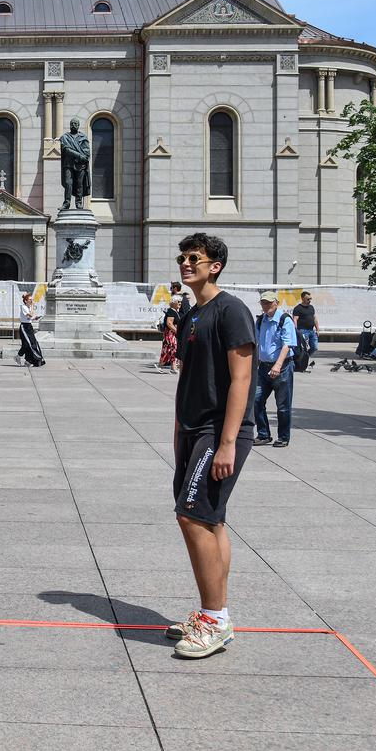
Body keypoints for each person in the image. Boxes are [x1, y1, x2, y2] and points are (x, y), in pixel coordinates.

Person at [167, 232, 255, 660]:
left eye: (194, 258)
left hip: (221, 430)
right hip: (193, 429)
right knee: (211, 519)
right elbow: (187, 378)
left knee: (192, 516)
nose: (185, 263)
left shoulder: (231, 310)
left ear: (214, 265)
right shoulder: (192, 313)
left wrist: (227, 443)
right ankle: (214, 614)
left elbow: (242, 380)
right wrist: (178, 429)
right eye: (183, 257)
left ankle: (214, 619)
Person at [252, 292, 295, 447]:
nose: (266, 306)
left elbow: (287, 344)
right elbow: (257, 343)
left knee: (283, 406)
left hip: (282, 367)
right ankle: (263, 434)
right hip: (263, 367)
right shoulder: (260, 320)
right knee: (256, 400)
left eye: (269, 303)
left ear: (276, 303)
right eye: (263, 303)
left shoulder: (284, 320)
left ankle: (283, 437)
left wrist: (277, 365)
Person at [16, 292, 45, 367]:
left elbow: (30, 317)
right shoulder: (23, 307)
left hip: (29, 326)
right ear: (26, 301)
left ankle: (28, 361)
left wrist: (35, 318)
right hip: (24, 327)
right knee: (26, 344)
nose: (31, 301)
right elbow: (30, 315)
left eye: (32, 299)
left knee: (32, 343)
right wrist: (32, 306)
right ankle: (18, 357)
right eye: (30, 299)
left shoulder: (28, 307)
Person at [156, 293, 184, 373]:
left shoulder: (175, 312)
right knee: (170, 349)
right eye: (178, 302)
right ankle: (161, 365)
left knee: (172, 350)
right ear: (174, 302)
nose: (180, 303)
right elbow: (169, 323)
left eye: (180, 302)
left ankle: (172, 367)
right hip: (170, 334)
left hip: (173, 334)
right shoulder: (171, 311)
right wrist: (177, 332)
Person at [291, 291, 319, 369]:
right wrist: (296, 330)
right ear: (302, 298)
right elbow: (295, 319)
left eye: (310, 299)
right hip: (302, 331)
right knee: (303, 348)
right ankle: (301, 362)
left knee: (315, 347)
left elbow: (314, 318)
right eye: (308, 299)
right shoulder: (298, 308)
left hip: (311, 331)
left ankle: (304, 358)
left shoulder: (311, 307)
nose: (309, 300)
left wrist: (317, 329)